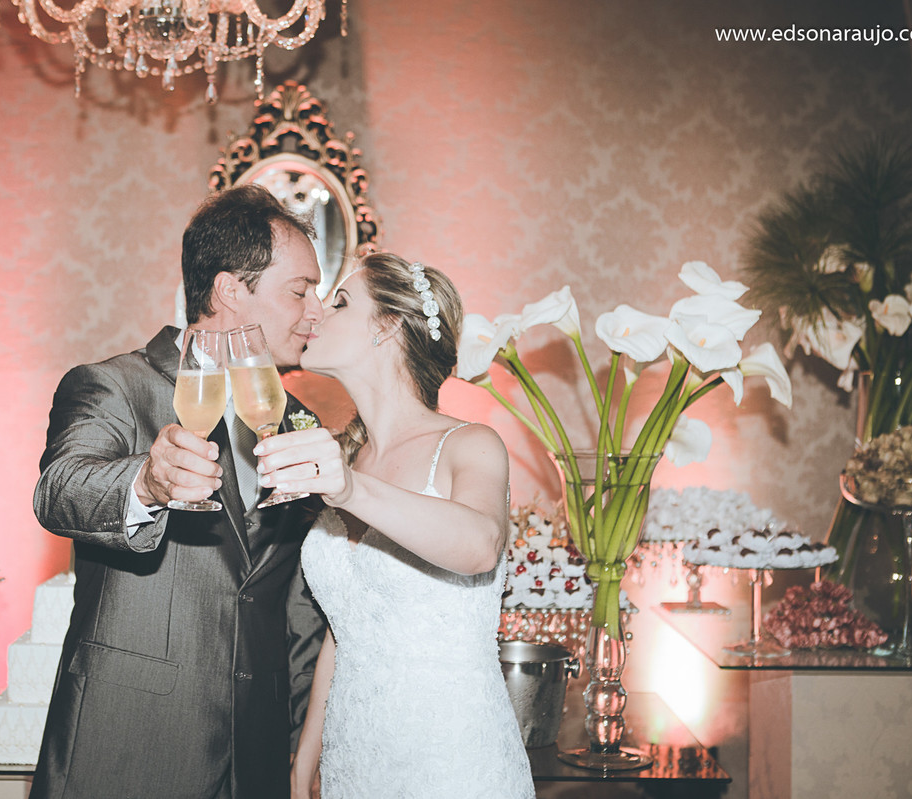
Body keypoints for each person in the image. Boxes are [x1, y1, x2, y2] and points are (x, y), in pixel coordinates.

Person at [31, 184, 328, 799]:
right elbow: (59, 490)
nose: (315, 312)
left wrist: (306, 746)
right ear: (230, 290)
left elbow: (300, 601)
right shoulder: (113, 385)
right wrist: (145, 481)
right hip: (131, 744)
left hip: (258, 756)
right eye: (300, 291)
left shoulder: (299, 420)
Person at [258, 253, 535, 798]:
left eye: (340, 302)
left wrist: (350, 490)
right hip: (353, 762)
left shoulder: (469, 444)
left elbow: (481, 545)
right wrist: (305, 759)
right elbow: (347, 627)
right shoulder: (347, 458)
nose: (316, 312)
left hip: (452, 762)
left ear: (387, 326)